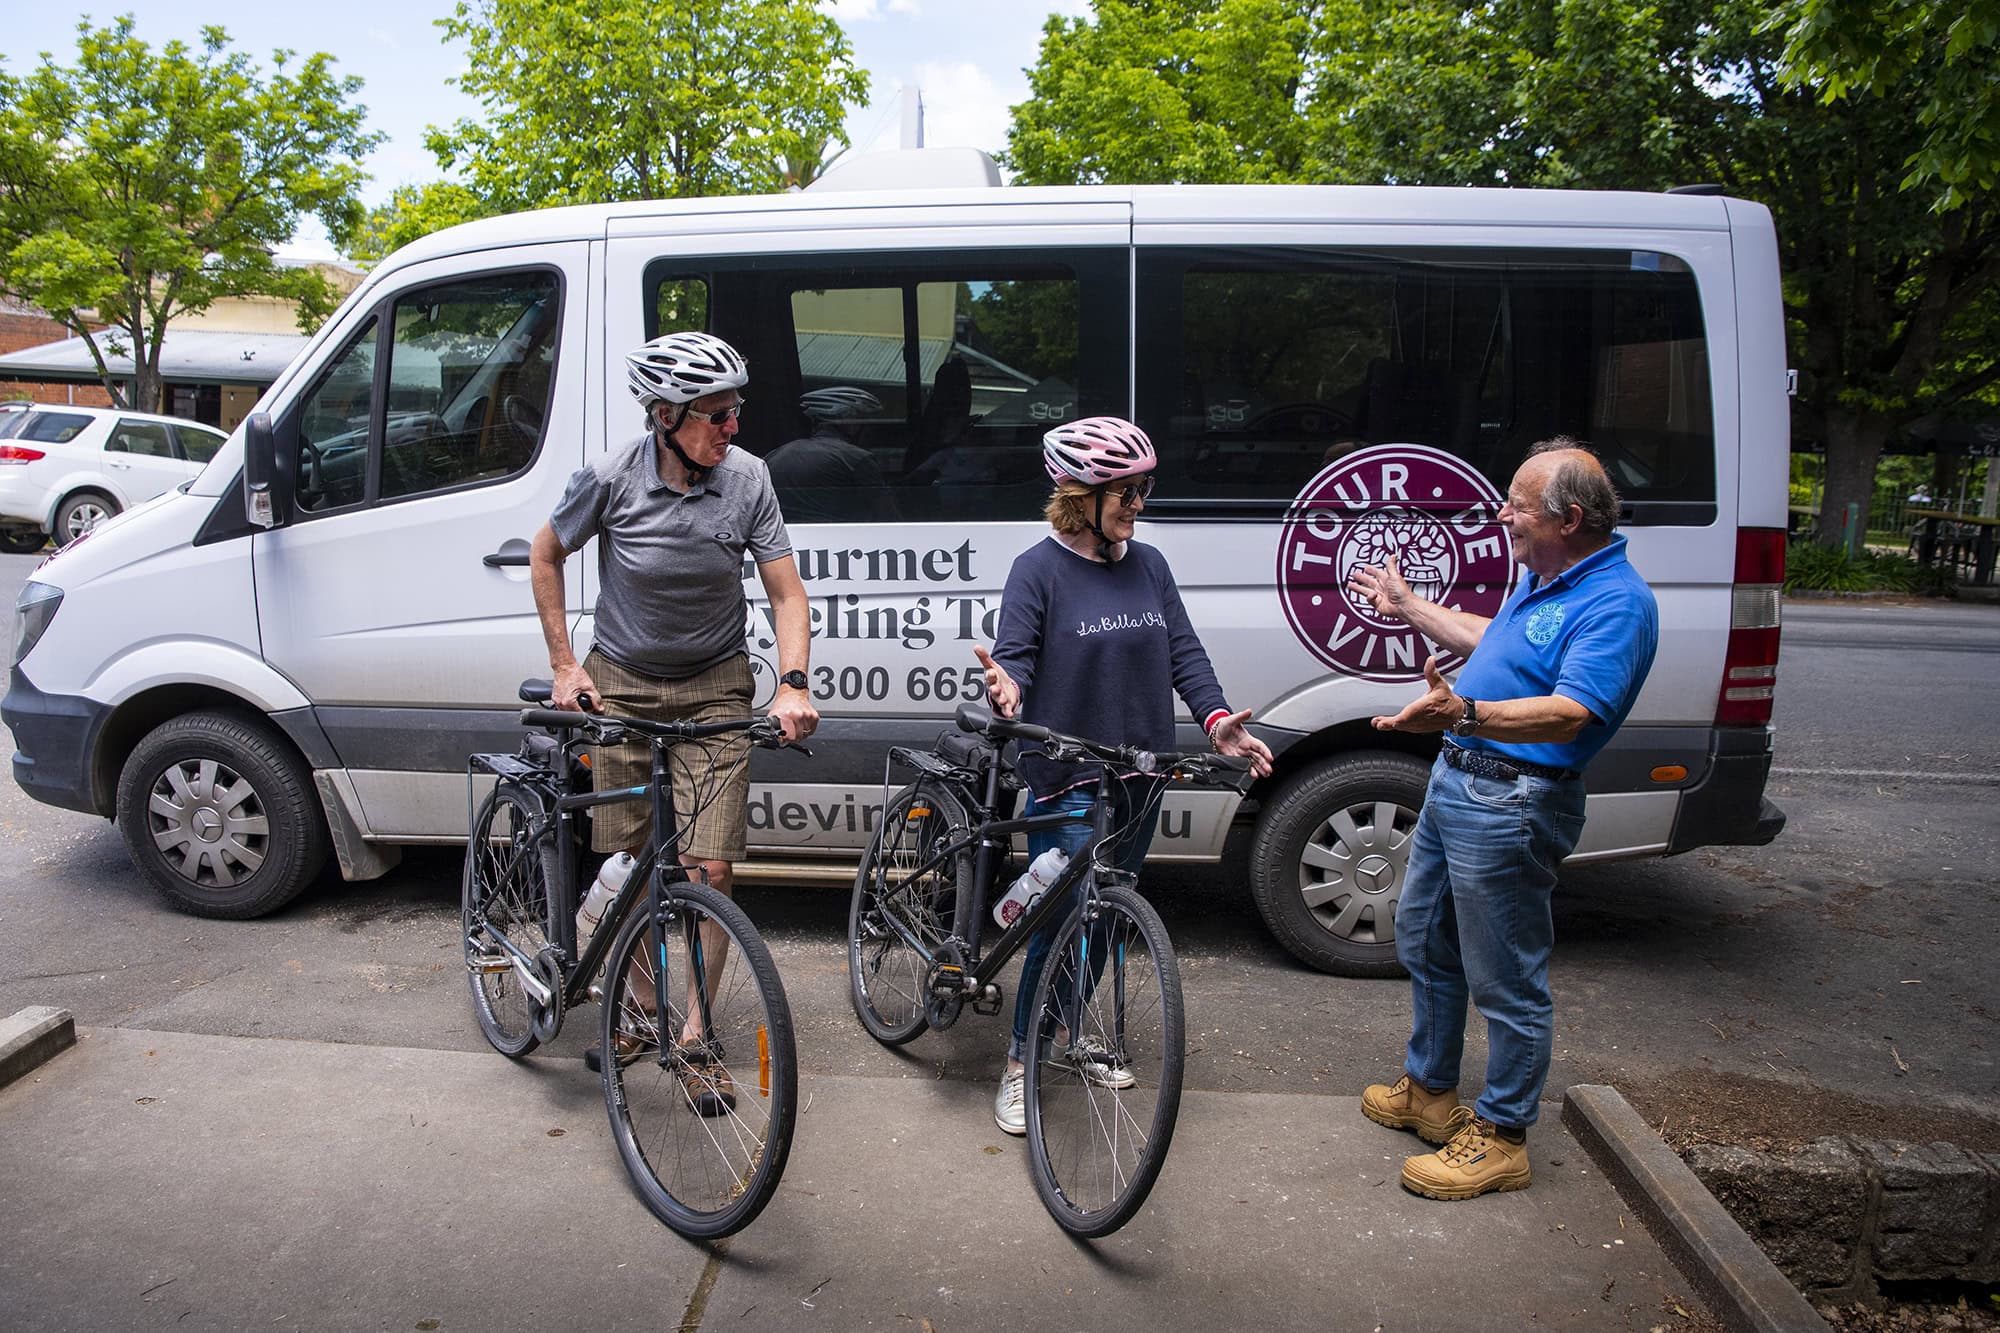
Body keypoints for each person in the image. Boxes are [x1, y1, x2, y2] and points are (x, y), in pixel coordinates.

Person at [1347, 438, 1658, 1200]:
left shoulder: (1616, 602)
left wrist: (1468, 712)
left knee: (1506, 975)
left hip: (1516, 800)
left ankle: (1504, 1132)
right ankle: (1430, 1091)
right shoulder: (1547, 576)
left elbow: (1571, 712)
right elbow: (1499, 642)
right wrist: (1412, 607)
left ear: (1570, 517)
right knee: (1424, 935)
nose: (1502, 514)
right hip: (1463, 782)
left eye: (1517, 504)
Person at [528, 330, 818, 1101]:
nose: (732, 428)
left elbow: (788, 593)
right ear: (665, 416)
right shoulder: (610, 478)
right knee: (627, 866)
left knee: (711, 866)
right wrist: (564, 664)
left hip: (716, 684)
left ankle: (695, 1035)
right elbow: (545, 553)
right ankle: (638, 1005)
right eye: (716, 415)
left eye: (735, 411)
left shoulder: (749, 480)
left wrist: (791, 682)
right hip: (619, 683)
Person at [973, 416, 1275, 1135]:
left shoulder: (1149, 566)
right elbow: (1013, 656)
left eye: (1144, 489)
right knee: (1059, 920)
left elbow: (1185, 654)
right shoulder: (1037, 570)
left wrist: (1217, 719)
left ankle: (1070, 1034)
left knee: (1106, 918)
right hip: (1067, 777)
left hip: (1138, 774)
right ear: (1081, 496)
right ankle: (1020, 1062)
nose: (1140, 504)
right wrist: (1008, 689)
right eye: (1127, 492)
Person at [765, 385, 899, 523]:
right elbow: (887, 516)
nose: (869, 430)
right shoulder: (856, 458)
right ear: (848, 421)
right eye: (864, 421)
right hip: (846, 541)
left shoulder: (775, 456)